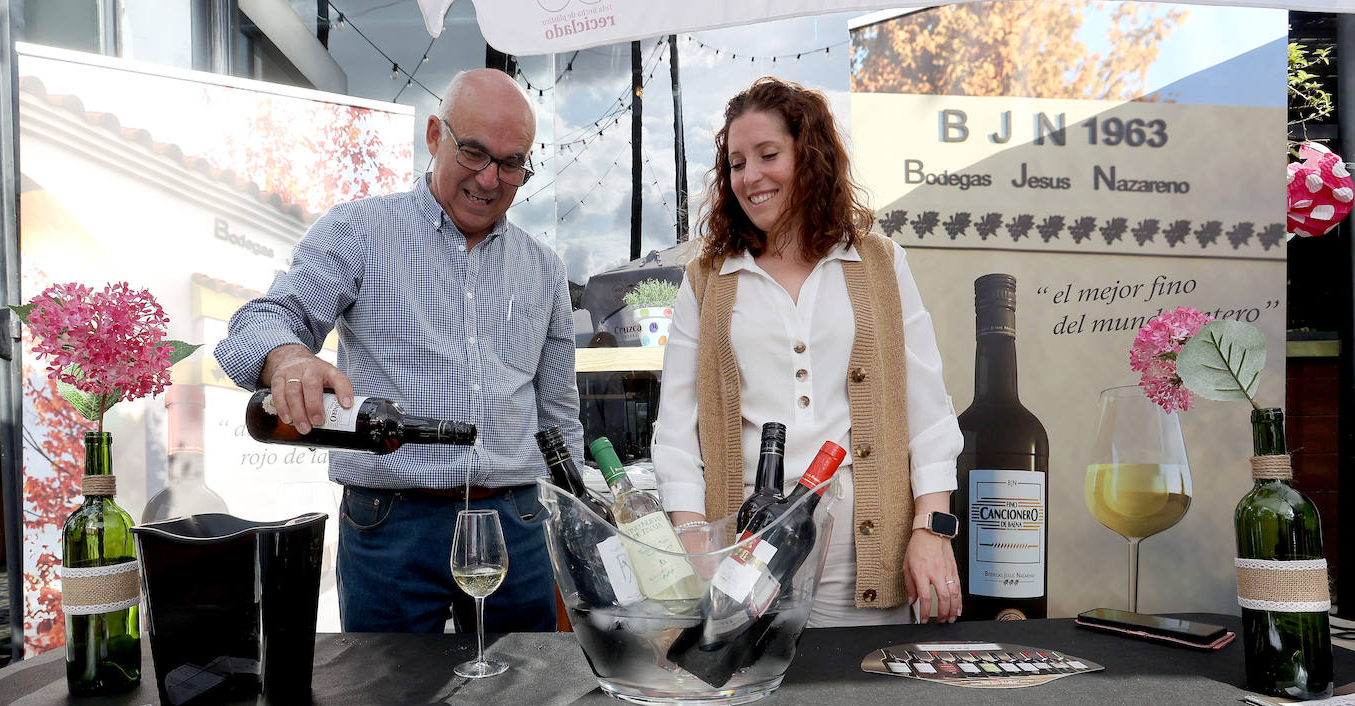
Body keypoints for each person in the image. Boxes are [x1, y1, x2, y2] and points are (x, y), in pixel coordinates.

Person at [214, 69, 581, 634]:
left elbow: (558, 413)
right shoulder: (361, 232)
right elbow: (265, 318)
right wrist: (288, 359)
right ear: (435, 136)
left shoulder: (544, 269)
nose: (490, 178)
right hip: (391, 527)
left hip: (516, 521)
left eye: (512, 163)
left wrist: (575, 519)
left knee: (522, 701)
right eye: (475, 152)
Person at [651, 77, 963, 626]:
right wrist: (699, 545)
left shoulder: (880, 263)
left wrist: (929, 528)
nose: (750, 177)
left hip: (861, 546)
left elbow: (929, 410)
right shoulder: (708, 277)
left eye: (768, 155)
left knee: (857, 699)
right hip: (744, 548)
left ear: (810, 155)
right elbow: (676, 429)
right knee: (748, 700)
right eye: (736, 163)